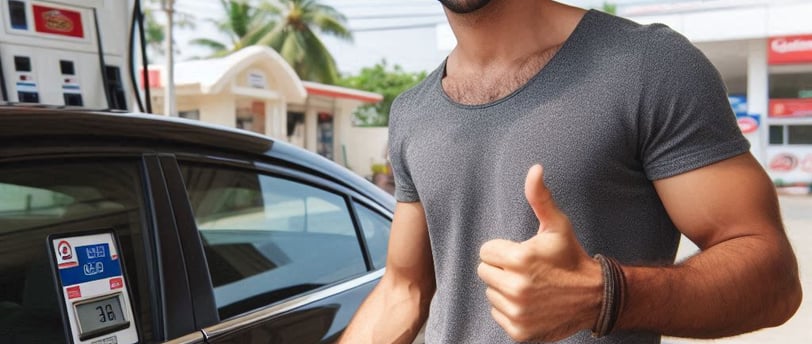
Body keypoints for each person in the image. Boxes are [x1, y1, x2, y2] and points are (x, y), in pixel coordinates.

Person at [339, 1, 802, 343]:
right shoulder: (412, 112)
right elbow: (405, 288)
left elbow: (773, 278)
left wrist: (607, 294)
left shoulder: (649, 67)